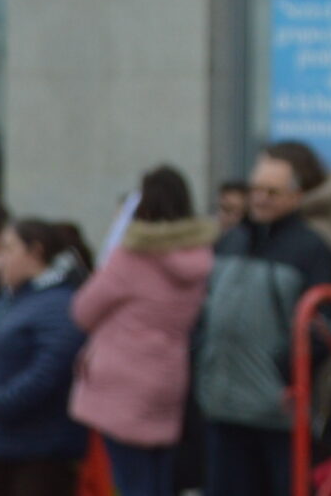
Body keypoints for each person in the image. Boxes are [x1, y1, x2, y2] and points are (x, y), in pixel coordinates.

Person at [196, 142, 331, 496]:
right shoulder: (231, 240)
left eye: (272, 192)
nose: (260, 199)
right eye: (255, 190)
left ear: (297, 196)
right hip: (222, 404)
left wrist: (287, 373)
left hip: (276, 412)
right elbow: (205, 308)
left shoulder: (311, 248)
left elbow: (329, 327)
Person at [68, 167, 215, 496]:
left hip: (122, 380)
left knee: (130, 479)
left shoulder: (133, 256)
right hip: (168, 376)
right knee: (160, 478)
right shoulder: (200, 258)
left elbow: (82, 310)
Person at [0, 220, 89, 496]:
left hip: (37, 447)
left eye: (8, 249)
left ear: (35, 252)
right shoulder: (11, 297)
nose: (0, 259)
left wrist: (2, 402)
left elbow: (49, 369)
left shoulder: (59, 302)